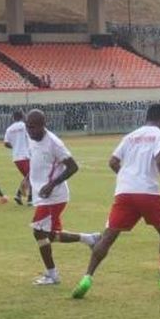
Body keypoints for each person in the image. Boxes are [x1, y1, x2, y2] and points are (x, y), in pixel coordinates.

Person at [73, 104, 160, 298]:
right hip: (148, 192)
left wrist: (126, 177)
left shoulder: (130, 136)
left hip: (124, 192)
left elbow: (113, 162)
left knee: (108, 237)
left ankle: (86, 278)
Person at [25, 109, 100, 286]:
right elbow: (37, 162)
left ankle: (52, 275)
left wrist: (52, 184)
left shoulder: (54, 143)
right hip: (41, 195)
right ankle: (89, 238)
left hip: (54, 197)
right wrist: (26, 178)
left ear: (43, 125)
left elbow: (73, 167)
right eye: (28, 127)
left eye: (33, 127)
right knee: (49, 236)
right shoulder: (32, 138)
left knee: (38, 232)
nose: (30, 131)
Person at [3, 110, 32, 205]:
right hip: (25, 155)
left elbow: (6, 143)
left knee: (29, 177)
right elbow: (31, 137)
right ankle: (29, 199)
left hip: (16, 157)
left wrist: (15, 146)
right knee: (32, 176)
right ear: (22, 116)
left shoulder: (9, 129)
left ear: (13, 117)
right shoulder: (24, 126)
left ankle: (20, 196)